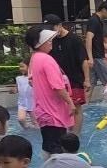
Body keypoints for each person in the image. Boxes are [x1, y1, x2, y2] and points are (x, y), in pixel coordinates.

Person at [27, 25, 76, 155]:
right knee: (57, 149)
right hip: (53, 113)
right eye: (48, 40)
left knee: (48, 146)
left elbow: (31, 80)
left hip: (43, 111)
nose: (51, 42)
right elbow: (58, 87)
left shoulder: (35, 58)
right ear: (40, 43)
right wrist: (70, 103)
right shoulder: (47, 59)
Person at [44, 14, 90, 133]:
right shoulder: (50, 42)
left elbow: (83, 60)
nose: (50, 32)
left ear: (59, 26)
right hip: (58, 81)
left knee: (76, 107)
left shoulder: (74, 39)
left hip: (75, 80)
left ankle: (75, 136)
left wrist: (87, 79)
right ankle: (67, 133)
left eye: (52, 29)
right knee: (62, 107)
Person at [85, 2, 107, 94]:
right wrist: (90, 58)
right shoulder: (94, 21)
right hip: (97, 57)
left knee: (89, 86)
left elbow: (98, 40)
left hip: (96, 57)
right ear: (103, 10)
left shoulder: (98, 21)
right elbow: (88, 38)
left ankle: (83, 107)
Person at [14, 60, 35, 130]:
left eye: (22, 66)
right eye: (19, 67)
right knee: (21, 119)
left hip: (32, 102)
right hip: (22, 103)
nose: (20, 68)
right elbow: (17, 88)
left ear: (29, 67)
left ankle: (36, 133)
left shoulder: (33, 77)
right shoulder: (18, 78)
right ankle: (27, 130)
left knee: (36, 122)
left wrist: (33, 85)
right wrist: (14, 91)